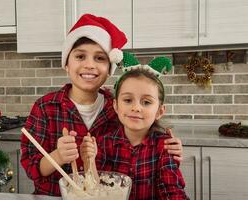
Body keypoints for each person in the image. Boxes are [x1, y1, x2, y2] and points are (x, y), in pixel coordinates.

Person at [20, 14, 183, 196]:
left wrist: (167, 149)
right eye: (80, 56)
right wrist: (58, 155)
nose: (89, 65)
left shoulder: (120, 108)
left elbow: (141, 140)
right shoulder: (45, 107)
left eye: (100, 58)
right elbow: (31, 168)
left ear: (109, 69)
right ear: (66, 64)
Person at [80, 53, 189, 200]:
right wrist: (89, 161)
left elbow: (171, 190)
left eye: (146, 102)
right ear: (116, 106)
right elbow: (96, 190)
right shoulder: (103, 144)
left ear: (159, 111)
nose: (136, 108)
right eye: (128, 100)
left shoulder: (165, 146)